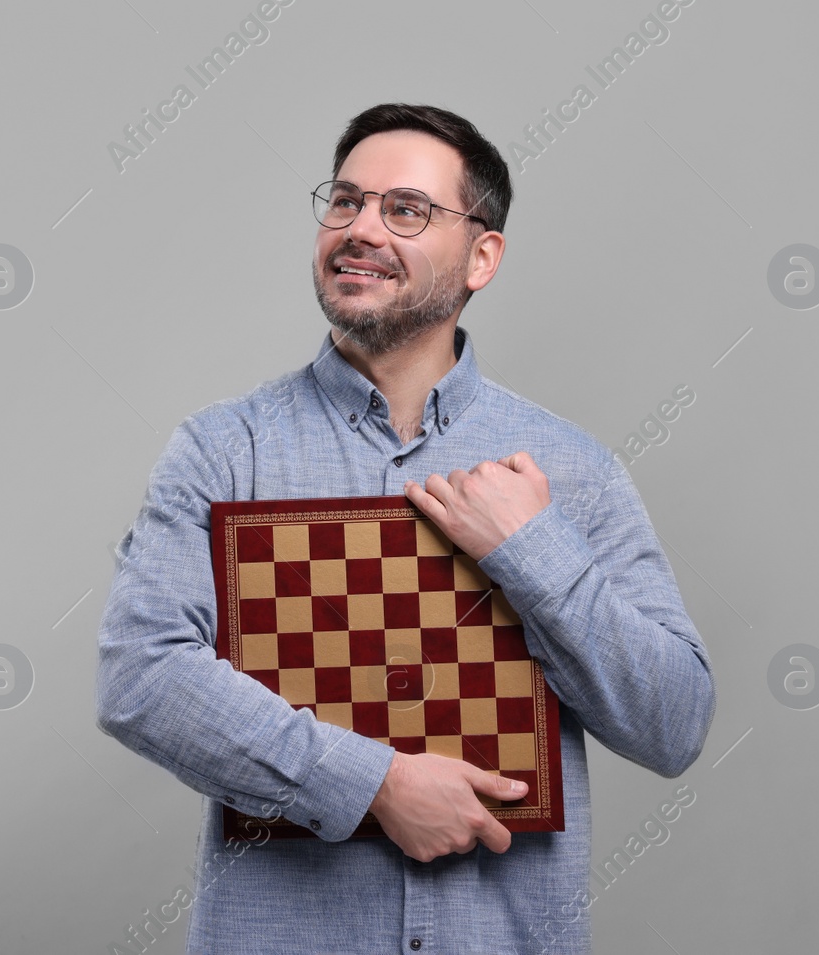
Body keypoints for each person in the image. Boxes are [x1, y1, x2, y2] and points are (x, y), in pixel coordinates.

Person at [95, 102, 716, 955]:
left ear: (482, 256)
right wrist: (375, 782)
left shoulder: (574, 472)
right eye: (345, 201)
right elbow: (142, 675)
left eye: (406, 210)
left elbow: (674, 725)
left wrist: (530, 551)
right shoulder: (221, 449)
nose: (360, 229)